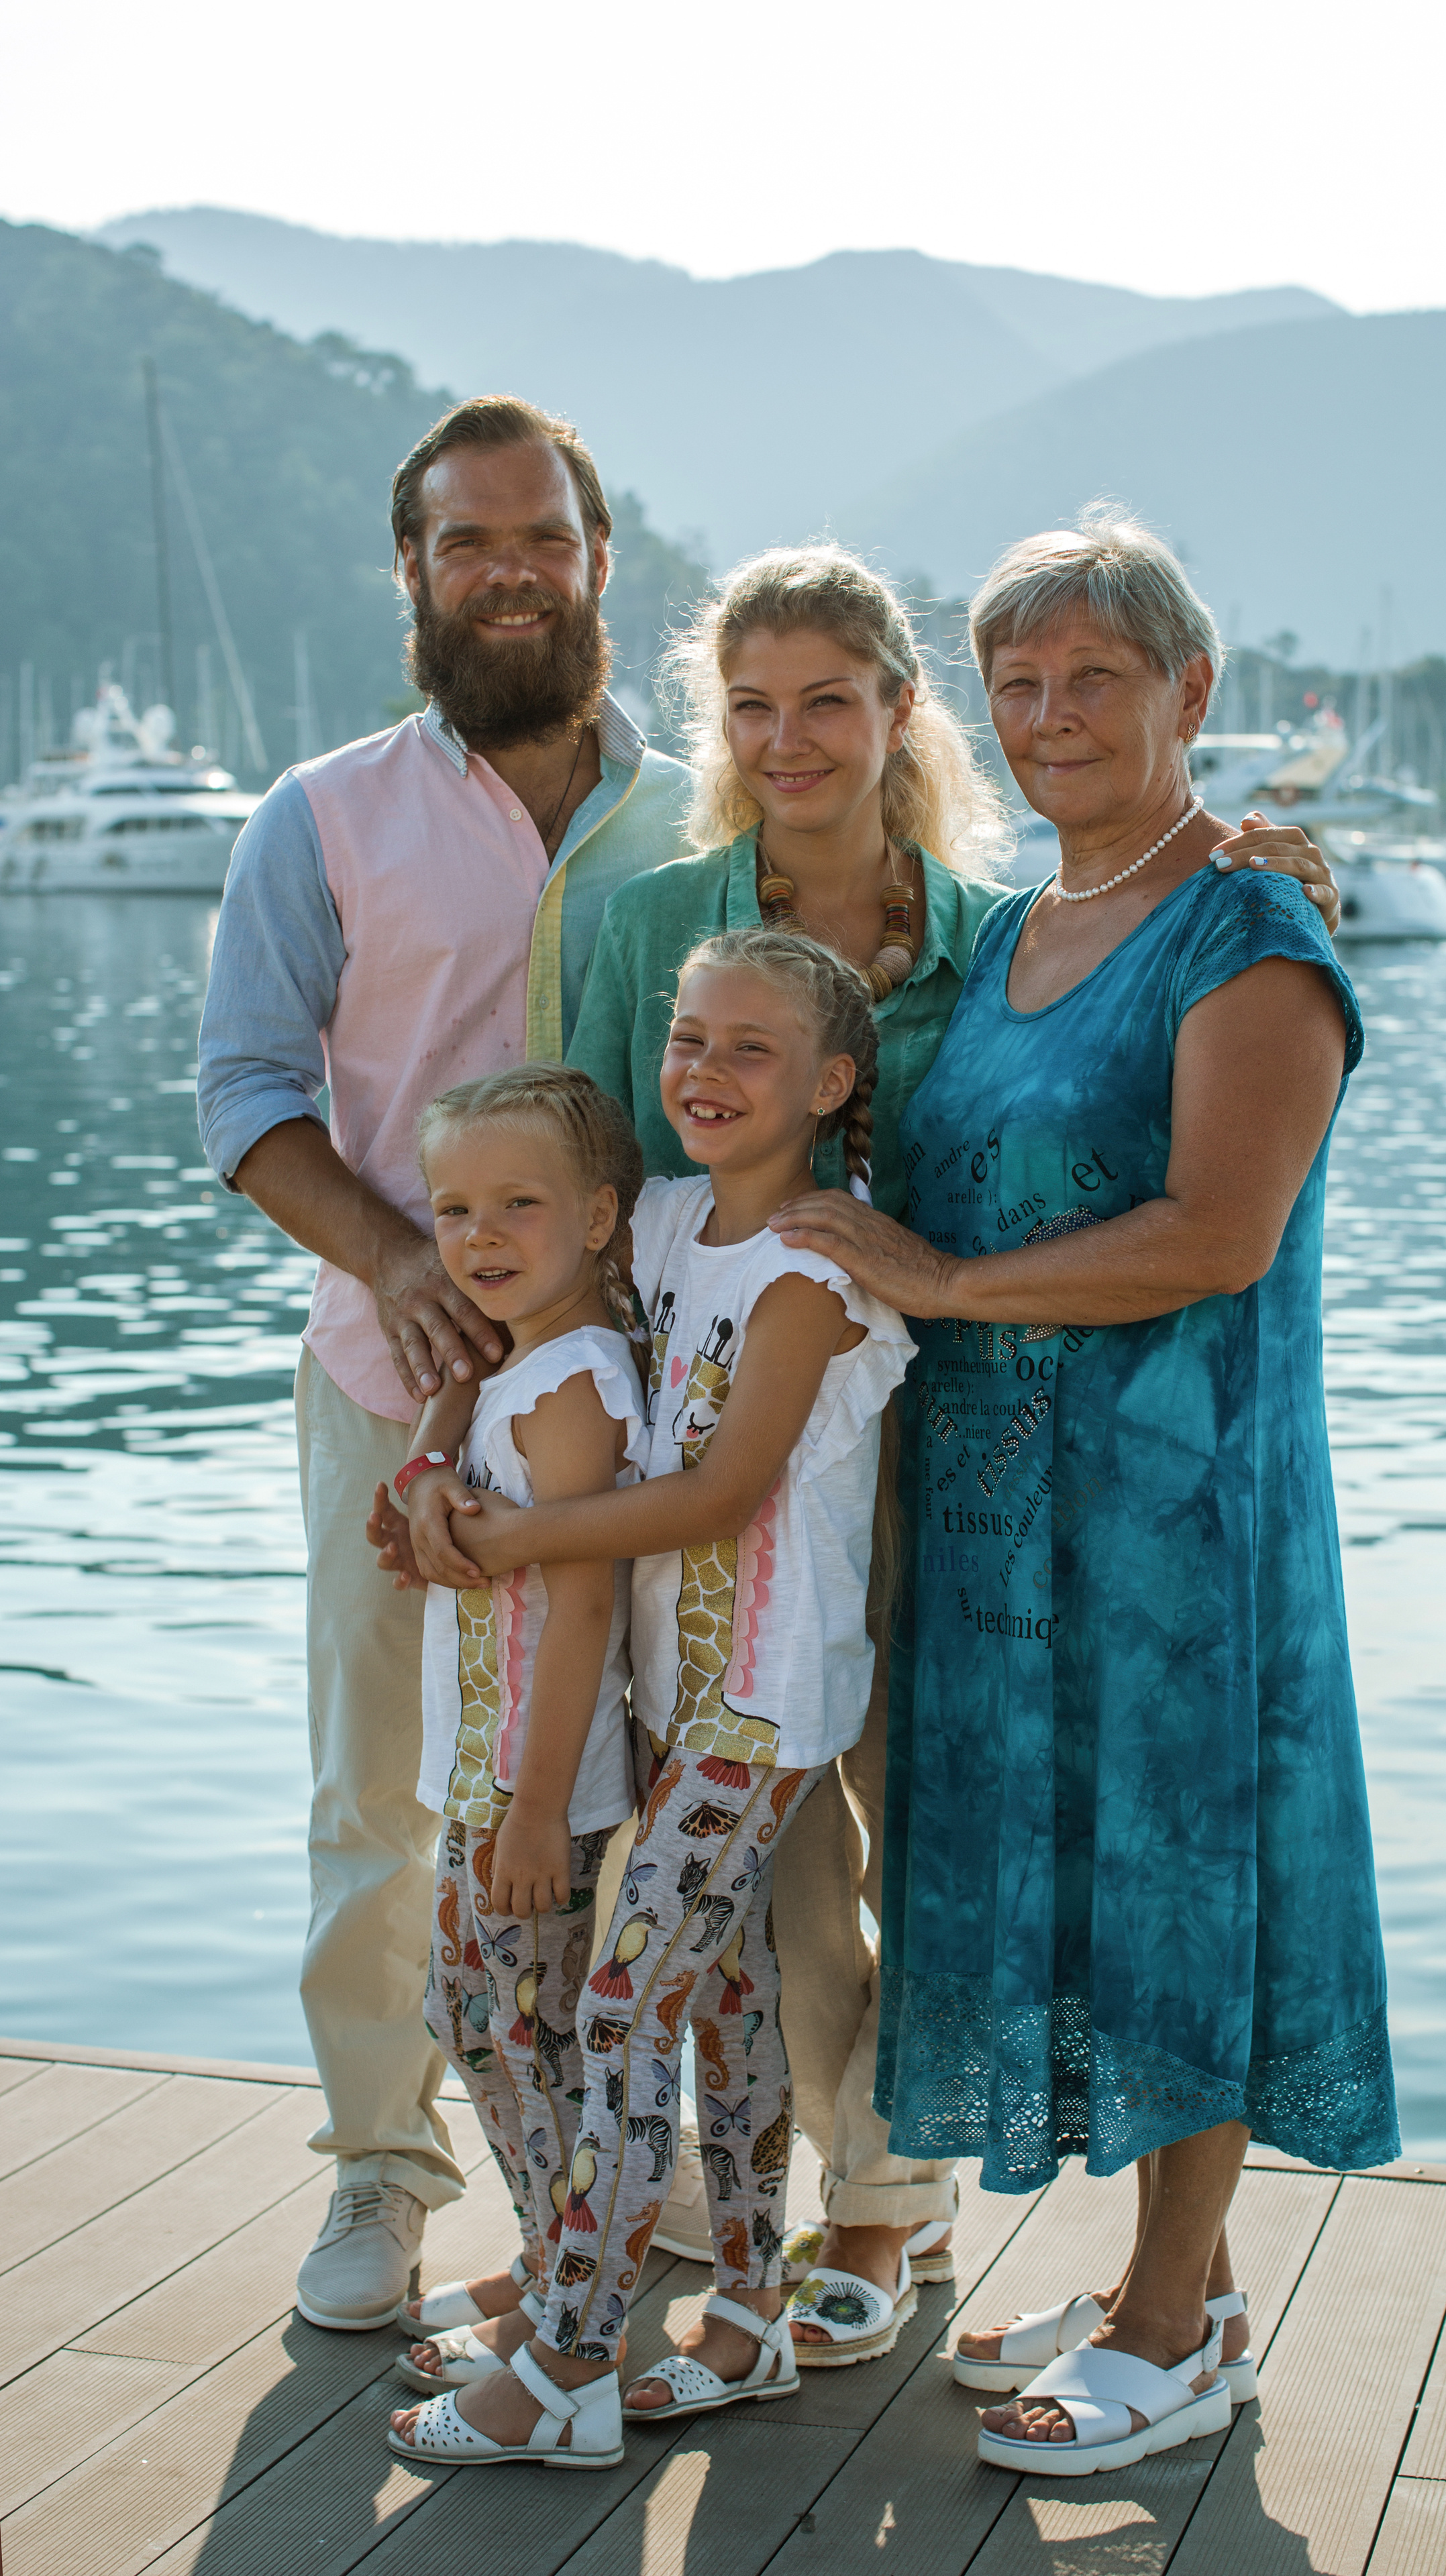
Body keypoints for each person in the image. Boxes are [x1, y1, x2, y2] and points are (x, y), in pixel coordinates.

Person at [564, 543, 1347, 2360]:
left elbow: (1201, 1204)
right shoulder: (688, 928)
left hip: (1032, 1478)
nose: (788, 737)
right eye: (752, 706)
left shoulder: (1000, 930)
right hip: (791, 1482)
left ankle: (950, 2232)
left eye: (828, 698)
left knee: (1053, 1856)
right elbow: (609, 1195)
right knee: (855, 1854)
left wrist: (1254, 864)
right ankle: (1125, 2282)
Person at [769, 512, 1400, 2476]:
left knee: (1178, 1898)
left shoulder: (1250, 930)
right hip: (996, 1532)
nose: (1049, 719)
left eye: (1094, 681)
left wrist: (947, 1288)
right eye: (1018, 685)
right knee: (1057, 1889)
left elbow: (1215, 1234)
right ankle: (1170, 2286)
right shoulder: (1017, 927)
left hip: (1177, 1528)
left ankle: (1174, 2322)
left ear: (1190, 694)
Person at [195, 394, 692, 2332]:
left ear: (596, 562)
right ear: (412, 575)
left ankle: (646, 2179)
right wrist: (397, 1253)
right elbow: (246, 1094)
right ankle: (384, 2182)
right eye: (468, 543)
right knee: (380, 1797)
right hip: (392, 1393)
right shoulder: (315, 818)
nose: (510, 574)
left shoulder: (700, 808)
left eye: (543, 540)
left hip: (666, 1401)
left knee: (669, 1780)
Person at [380, 929, 914, 2466]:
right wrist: (430, 1454)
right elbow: (502, 1321)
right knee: (723, 1997)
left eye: (750, 1048)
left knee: (618, 2011)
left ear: (827, 1084)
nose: (705, 1071)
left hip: (759, 1706)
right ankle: (743, 2310)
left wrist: (512, 1539)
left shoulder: (817, 1261)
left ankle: (564, 2361)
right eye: (689, 1040)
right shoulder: (665, 1217)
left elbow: (725, 1490)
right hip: (680, 1698)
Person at [380, 1065, 648, 2393]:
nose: (479, 1239)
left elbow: (585, 1602)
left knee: (513, 2030)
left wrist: (540, 1807)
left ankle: (562, 2295)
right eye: (451, 1211)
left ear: (597, 1221)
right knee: (477, 2014)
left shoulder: (571, 1389)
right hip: (490, 1779)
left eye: (517, 1206)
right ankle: (552, 2257)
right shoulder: (516, 1359)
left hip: (535, 1788)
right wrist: (425, 1461)